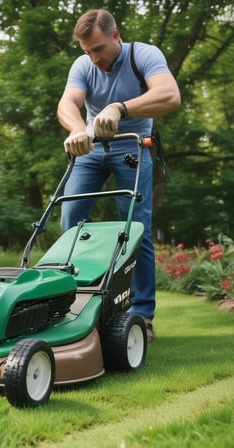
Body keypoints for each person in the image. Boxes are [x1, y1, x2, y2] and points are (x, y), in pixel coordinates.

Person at [57, 9, 181, 342]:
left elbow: (170, 95)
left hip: (133, 146)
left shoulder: (144, 55)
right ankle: (71, 305)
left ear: (115, 36)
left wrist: (120, 107)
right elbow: (67, 102)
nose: (93, 58)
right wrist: (76, 128)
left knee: (135, 228)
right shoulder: (83, 65)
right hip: (92, 150)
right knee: (71, 221)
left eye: (98, 49)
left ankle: (142, 315)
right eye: (87, 51)